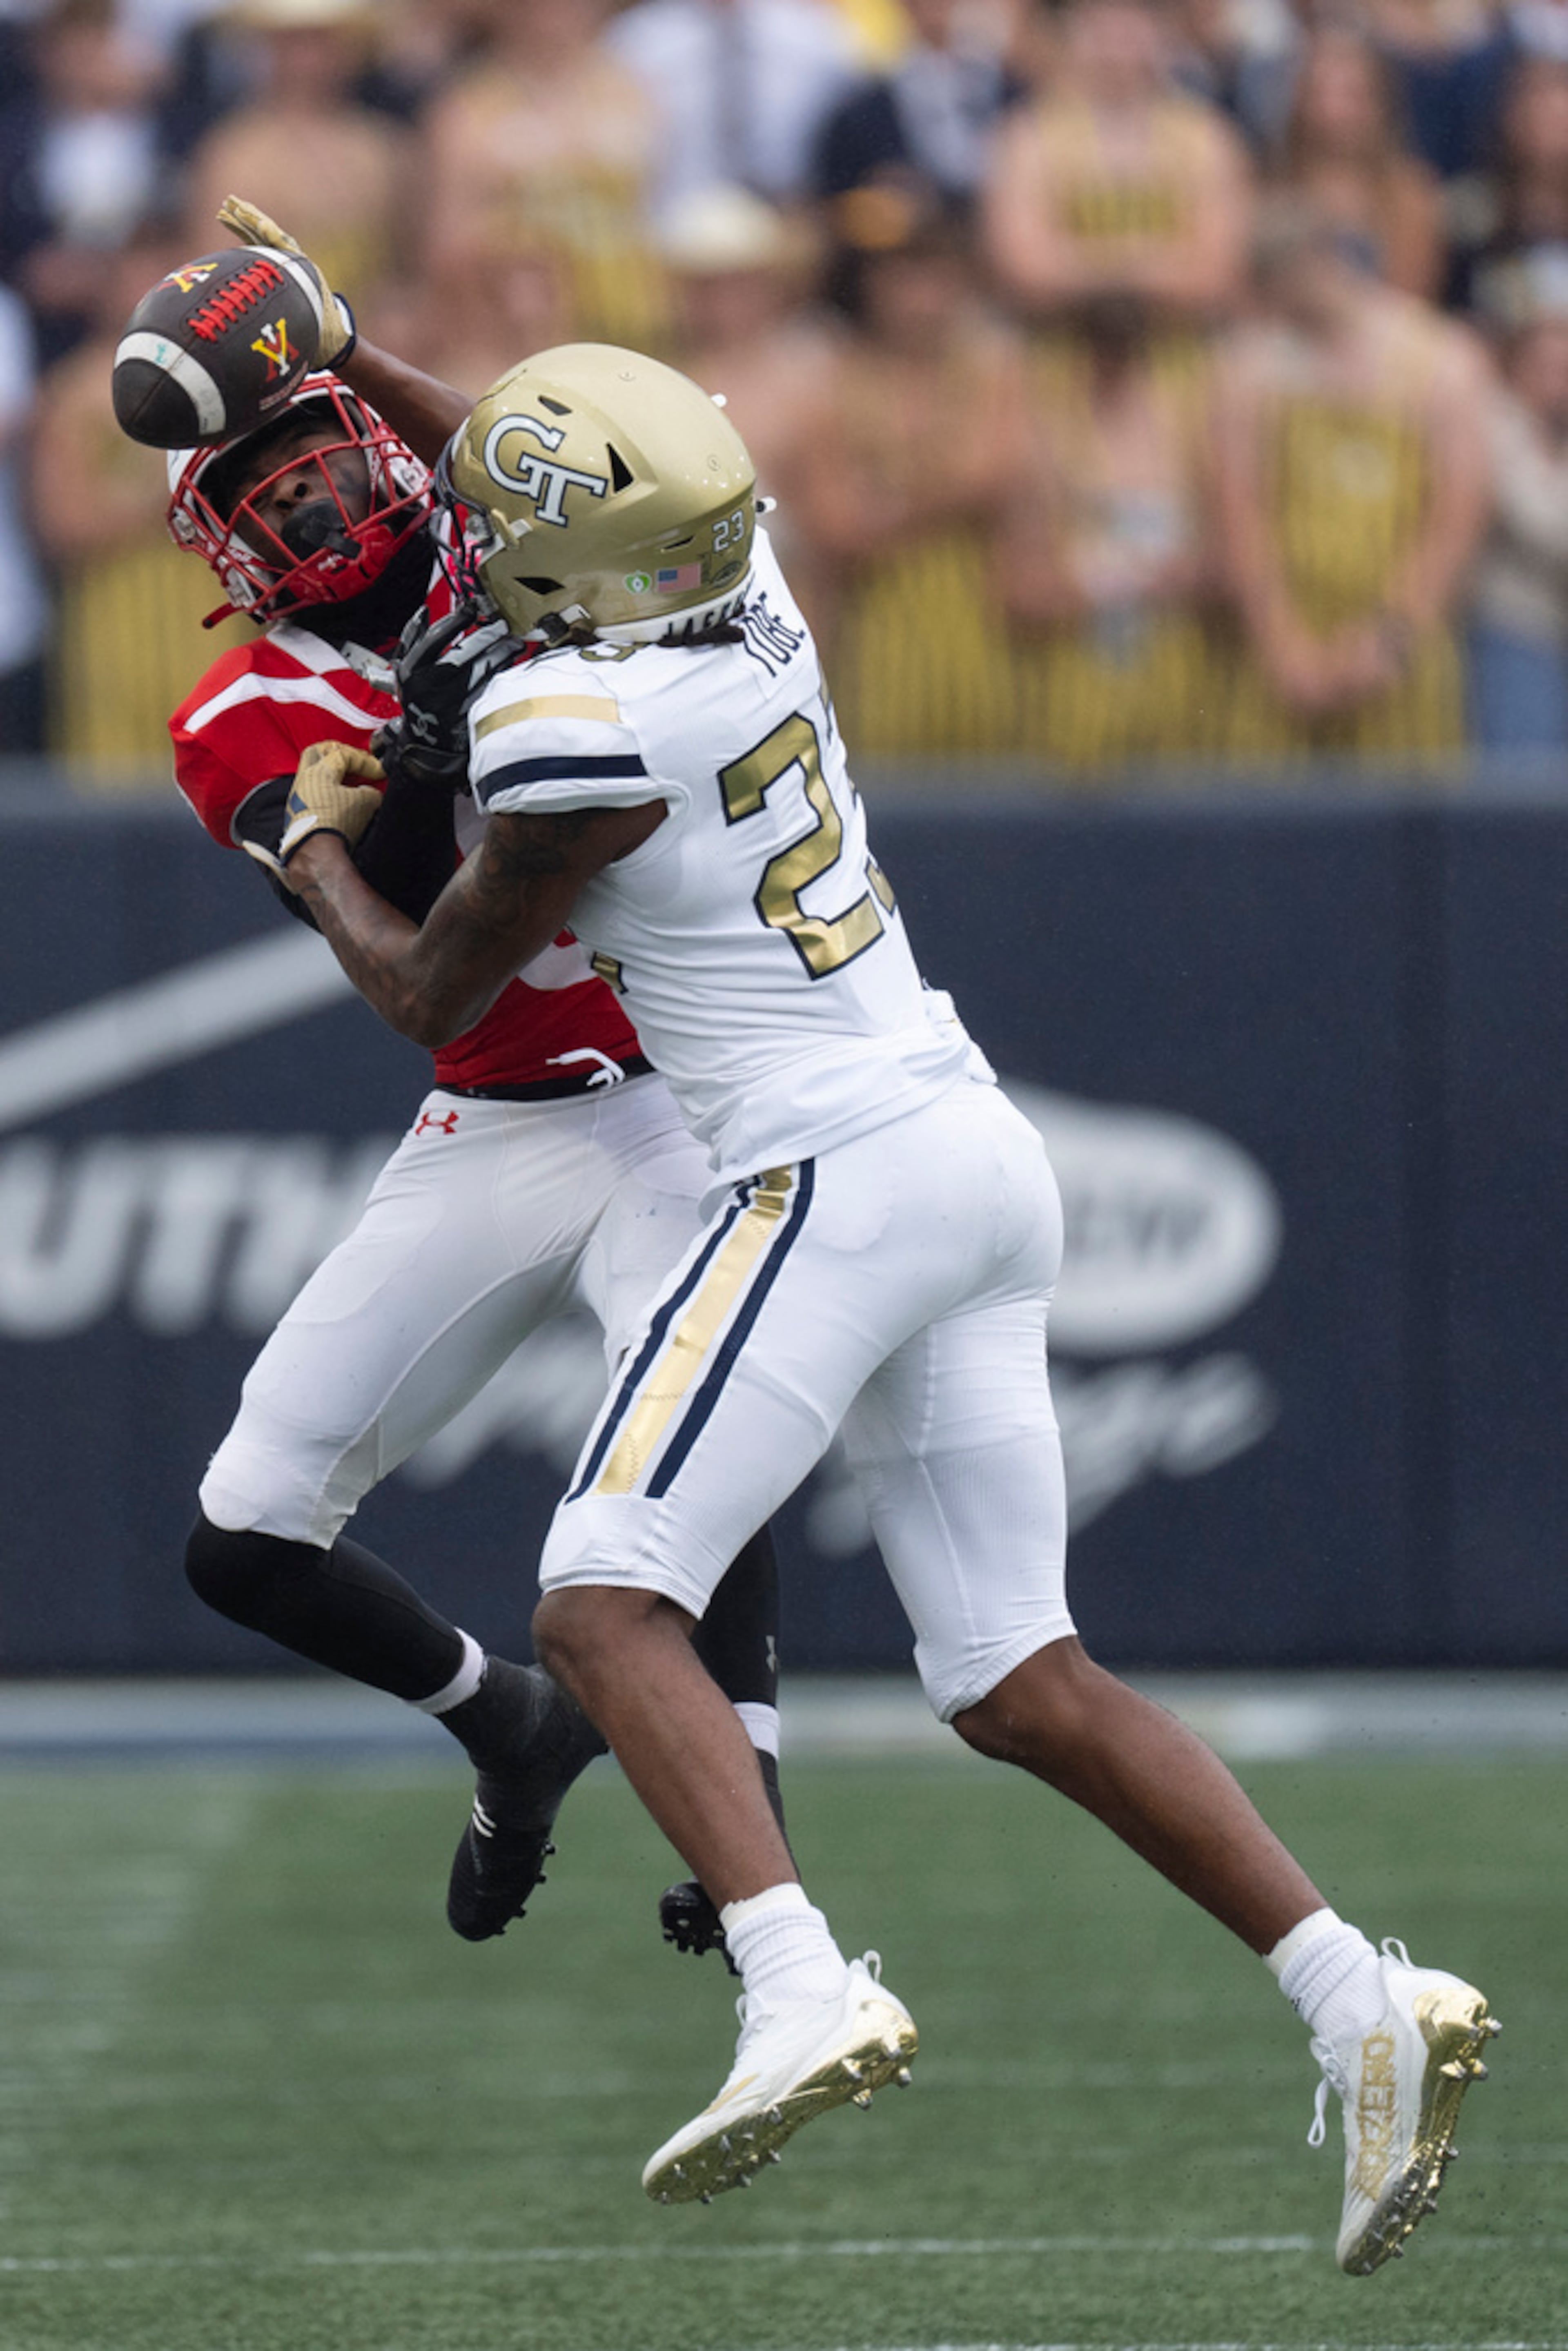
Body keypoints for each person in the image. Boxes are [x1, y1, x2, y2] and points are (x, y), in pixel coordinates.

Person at [254, 334, 1498, 2268]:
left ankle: (796, 1981)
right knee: (1016, 1677)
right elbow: (543, 481)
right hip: (972, 1141)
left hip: (827, 1170)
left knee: (594, 1598)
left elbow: (430, 993)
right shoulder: (748, 600)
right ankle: (1360, 1997)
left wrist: (314, 844)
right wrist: (348, 355)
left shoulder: (569, 729)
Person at [151, 196, 790, 1960]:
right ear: (233, 553)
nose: (322, 507)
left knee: (686, 1455)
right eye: (273, 502)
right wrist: (409, 771)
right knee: (246, 1534)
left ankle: (758, 1826)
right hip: (494, 1109)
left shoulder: (502, 534)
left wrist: (337, 335)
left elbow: (547, 460)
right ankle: (501, 1717)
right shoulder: (241, 714)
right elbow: (414, 948)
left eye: (331, 466)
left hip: (675, 1089)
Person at [1214, 199, 1491, 764]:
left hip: (1401, 639)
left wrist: (1393, 634)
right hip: (1284, 639)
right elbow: (1239, 513)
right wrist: (1283, 643)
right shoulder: (1252, 365)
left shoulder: (1439, 358)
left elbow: (1458, 514)